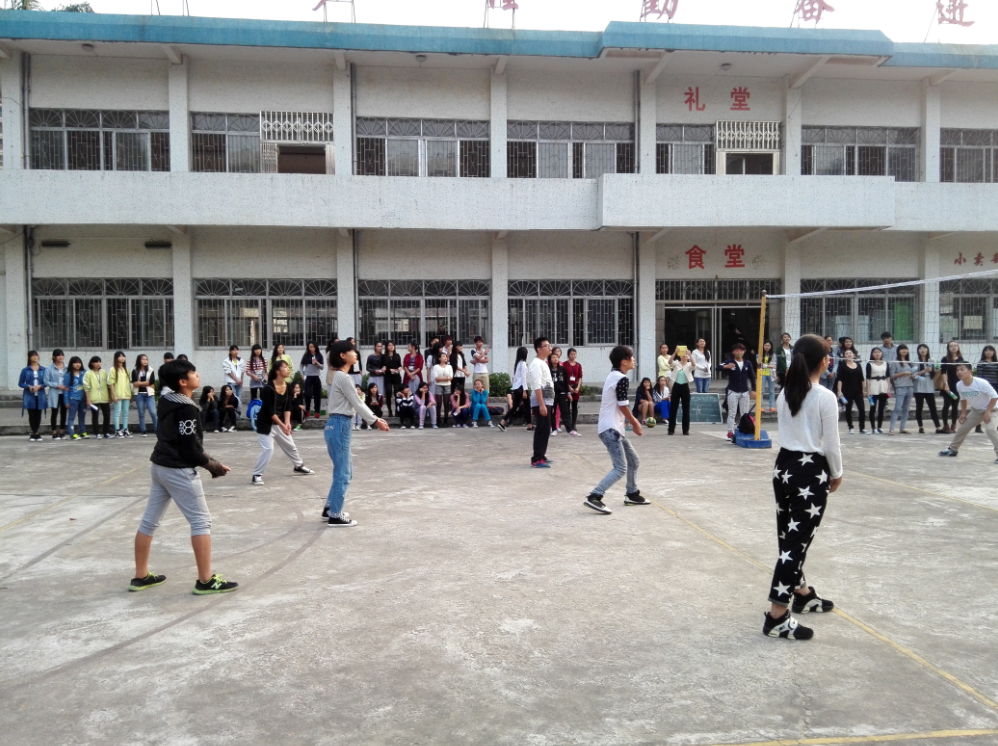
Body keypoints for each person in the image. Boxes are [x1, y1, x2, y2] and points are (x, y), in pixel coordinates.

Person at [130, 358, 236, 595]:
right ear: (182, 381)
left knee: (149, 522)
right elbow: (190, 450)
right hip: (178, 470)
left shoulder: (166, 400)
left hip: (160, 466)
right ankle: (206, 580)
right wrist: (214, 466)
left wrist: (212, 463)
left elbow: (186, 444)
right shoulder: (186, 409)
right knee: (201, 521)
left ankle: (140, 576)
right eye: (192, 373)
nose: (197, 375)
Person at [764, 334, 842, 641]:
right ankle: (777, 616)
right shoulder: (824, 396)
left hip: (783, 467)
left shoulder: (787, 392)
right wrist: (837, 473)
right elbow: (831, 444)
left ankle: (802, 594)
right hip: (809, 472)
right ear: (823, 362)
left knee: (789, 539)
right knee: (795, 545)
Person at [322, 340, 389, 527]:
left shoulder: (340, 377)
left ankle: (330, 508)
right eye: (352, 350)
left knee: (342, 470)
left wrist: (374, 418)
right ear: (343, 355)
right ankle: (335, 515)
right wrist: (375, 420)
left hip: (335, 426)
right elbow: (357, 403)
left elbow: (355, 402)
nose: (355, 353)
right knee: (344, 473)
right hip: (340, 425)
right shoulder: (343, 377)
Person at [584, 345, 649, 514]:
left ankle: (632, 494)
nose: (634, 360)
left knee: (634, 460)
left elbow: (617, 404)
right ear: (623, 362)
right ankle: (595, 496)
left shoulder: (613, 375)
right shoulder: (621, 378)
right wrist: (635, 422)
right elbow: (622, 405)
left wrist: (625, 421)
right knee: (620, 468)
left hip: (614, 428)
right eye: (631, 357)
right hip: (611, 430)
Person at [251, 360, 315, 485]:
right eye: (285, 367)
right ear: (277, 371)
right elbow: (269, 411)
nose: (288, 369)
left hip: (280, 422)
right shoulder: (268, 388)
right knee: (268, 449)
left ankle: (298, 466)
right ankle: (257, 474)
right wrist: (283, 425)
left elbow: (287, 407)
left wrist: (287, 422)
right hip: (266, 424)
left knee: (290, 446)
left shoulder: (288, 387)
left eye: (288, 367)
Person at [939, 362, 998, 462]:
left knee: (990, 429)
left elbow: (995, 397)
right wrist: (963, 413)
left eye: (962, 369)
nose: (959, 372)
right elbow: (963, 399)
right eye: (957, 370)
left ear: (970, 371)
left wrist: (988, 412)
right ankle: (952, 449)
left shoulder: (981, 383)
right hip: (976, 411)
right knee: (963, 428)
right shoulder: (959, 385)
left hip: (992, 409)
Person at [528, 337, 555, 468]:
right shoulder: (536, 364)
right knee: (542, 429)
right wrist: (542, 405)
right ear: (539, 349)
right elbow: (537, 385)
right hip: (541, 401)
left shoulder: (543, 362)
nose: (550, 348)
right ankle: (537, 458)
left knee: (545, 429)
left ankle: (542, 455)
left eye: (550, 345)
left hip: (547, 400)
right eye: (546, 346)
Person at [721, 343, 755, 441]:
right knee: (732, 413)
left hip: (744, 391)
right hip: (733, 391)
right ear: (733, 352)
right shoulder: (730, 361)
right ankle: (730, 432)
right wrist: (726, 366)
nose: (739, 352)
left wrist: (754, 389)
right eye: (737, 350)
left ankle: (743, 430)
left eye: (741, 350)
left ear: (744, 352)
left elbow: (752, 377)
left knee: (744, 413)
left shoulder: (747, 363)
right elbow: (718, 367)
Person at [835, 349, 867, 435]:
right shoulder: (842, 366)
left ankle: (862, 428)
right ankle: (850, 427)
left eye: (850, 353)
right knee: (848, 409)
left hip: (858, 391)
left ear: (853, 355)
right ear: (844, 356)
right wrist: (839, 391)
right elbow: (840, 380)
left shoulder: (858, 365)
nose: (849, 354)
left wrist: (864, 389)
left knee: (862, 409)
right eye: (847, 353)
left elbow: (862, 378)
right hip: (847, 391)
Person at [19, 350, 49, 442]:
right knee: (31, 414)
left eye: (36, 355)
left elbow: (46, 382)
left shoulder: (43, 369)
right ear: (29, 358)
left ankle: (35, 433)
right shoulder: (25, 370)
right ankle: (35, 433)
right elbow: (20, 383)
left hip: (40, 395)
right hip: (29, 395)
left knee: (38, 414)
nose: (35, 357)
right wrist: (28, 386)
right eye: (32, 356)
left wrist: (40, 386)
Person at [913, 344, 943, 435]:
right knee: (919, 407)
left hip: (929, 386)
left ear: (927, 350)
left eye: (924, 348)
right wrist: (924, 371)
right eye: (920, 349)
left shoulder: (931, 360)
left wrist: (937, 371)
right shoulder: (916, 361)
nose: (923, 350)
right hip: (919, 386)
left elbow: (935, 373)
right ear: (918, 351)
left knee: (933, 407)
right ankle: (921, 427)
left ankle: (938, 427)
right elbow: (913, 375)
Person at [500, 346, 531, 431]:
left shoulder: (517, 364)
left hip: (516, 388)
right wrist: (525, 390)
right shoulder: (523, 363)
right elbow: (523, 378)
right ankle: (529, 425)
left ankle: (502, 422)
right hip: (522, 387)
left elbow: (516, 378)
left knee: (514, 407)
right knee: (527, 407)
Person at [888, 344, 916, 435]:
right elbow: (892, 376)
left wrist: (914, 376)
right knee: (897, 408)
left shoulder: (910, 362)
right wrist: (903, 373)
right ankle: (891, 429)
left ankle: (902, 428)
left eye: (906, 349)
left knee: (906, 409)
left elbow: (914, 374)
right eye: (902, 349)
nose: (904, 351)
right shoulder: (895, 362)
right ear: (898, 351)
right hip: (900, 387)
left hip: (910, 386)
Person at [939, 340, 965, 434]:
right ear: (948, 348)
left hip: (958, 385)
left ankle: (953, 425)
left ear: (958, 347)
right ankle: (945, 426)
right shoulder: (945, 359)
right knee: (946, 405)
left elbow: (963, 372)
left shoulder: (960, 359)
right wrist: (946, 384)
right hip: (948, 385)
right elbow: (943, 372)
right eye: (951, 346)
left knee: (955, 406)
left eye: (955, 346)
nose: (953, 347)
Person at [83, 355, 111, 439]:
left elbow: (108, 385)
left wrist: (110, 396)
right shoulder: (88, 373)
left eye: (99, 362)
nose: (98, 363)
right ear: (92, 363)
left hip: (104, 398)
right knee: (95, 416)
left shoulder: (104, 372)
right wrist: (88, 399)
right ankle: (97, 433)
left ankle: (106, 432)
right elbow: (86, 387)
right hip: (94, 398)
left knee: (107, 415)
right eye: (96, 362)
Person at [668, 349, 694, 436]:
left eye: (685, 355)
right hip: (676, 386)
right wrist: (675, 352)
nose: (684, 356)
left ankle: (685, 430)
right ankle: (671, 430)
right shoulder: (676, 363)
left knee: (686, 409)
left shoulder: (689, 365)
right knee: (673, 409)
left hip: (685, 386)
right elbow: (670, 362)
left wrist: (690, 355)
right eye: (682, 355)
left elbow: (694, 365)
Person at [108, 350, 133, 438]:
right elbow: (110, 383)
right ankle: (117, 430)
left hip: (126, 394)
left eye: (123, 356)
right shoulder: (113, 369)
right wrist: (113, 395)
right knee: (117, 413)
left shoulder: (126, 370)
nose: (122, 358)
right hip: (117, 395)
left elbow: (128, 383)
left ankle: (125, 429)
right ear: (116, 358)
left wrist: (130, 395)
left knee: (125, 413)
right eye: (120, 356)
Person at [44, 349, 68, 440]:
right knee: (54, 412)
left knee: (64, 412)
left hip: (65, 393)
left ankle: (62, 431)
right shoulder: (49, 368)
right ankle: (54, 432)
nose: (60, 357)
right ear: (54, 357)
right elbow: (46, 381)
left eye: (62, 355)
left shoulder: (67, 367)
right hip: (55, 392)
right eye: (58, 355)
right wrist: (57, 385)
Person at [132, 354, 158, 436]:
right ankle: (143, 430)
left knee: (153, 413)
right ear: (139, 360)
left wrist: (140, 383)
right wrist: (147, 383)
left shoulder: (150, 369)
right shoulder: (135, 371)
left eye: (146, 359)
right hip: (139, 394)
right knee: (141, 413)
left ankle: (157, 429)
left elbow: (152, 382)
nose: (145, 361)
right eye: (143, 359)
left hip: (149, 394)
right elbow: (135, 384)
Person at [866, 347, 890, 434]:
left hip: (883, 386)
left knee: (881, 409)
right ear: (872, 354)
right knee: (873, 408)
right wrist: (868, 390)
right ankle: (873, 428)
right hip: (873, 386)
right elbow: (868, 378)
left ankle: (879, 427)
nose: (877, 354)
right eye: (875, 352)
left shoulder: (885, 363)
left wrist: (888, 388)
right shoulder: (870, 364)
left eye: (879, 352)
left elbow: (888, 376)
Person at [549, 348, 572, 434]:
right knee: (552, 411)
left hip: (562, 393)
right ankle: (554, 429)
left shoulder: (563, 369)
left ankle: (570, 430)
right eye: (553, 357)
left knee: (565, 412)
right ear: (550, 360)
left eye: (557, 357)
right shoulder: (548, 370)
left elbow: (566, 382)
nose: (555, 359)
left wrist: (568, 393)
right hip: (552, 393)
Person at [65, 356, 88, 439]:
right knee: (71, 417)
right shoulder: (68, 375)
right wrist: (66, 401)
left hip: (83, 398)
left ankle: (83, 432)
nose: (78, 364)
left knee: (82, 416)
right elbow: (65, 389)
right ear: (71, 364)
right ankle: (72, 434)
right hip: (73, 398)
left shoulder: (84, 373)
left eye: (79, 363)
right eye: (75, 363)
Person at [300, 342, 324, 418]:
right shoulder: (306, 355)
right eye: (310, 347)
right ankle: (307, 409)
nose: (312, 348)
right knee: (307, 394)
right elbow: (301, 365)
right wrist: (302, 374)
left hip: (316, 376)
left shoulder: (319, 355)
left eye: (313, 347)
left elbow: (322, 367)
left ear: (316, 347)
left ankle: (317, 411)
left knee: (317, 395)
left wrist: (317, 363)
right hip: (308, 376)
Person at [563, 348, 583, 436]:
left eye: (574, 354)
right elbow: (563, 377)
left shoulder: (578, 365)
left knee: (575, 407)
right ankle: (568, 425)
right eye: (571, 354)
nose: (573, 356)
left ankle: (573, 424)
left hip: (576, 387)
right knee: (567, 407)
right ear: (568, 355)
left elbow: (580, 377)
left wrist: (578, 387)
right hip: (567, 387)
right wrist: (568, 387)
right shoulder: (564, 364)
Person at [432, 350, 453, 426]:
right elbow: (436, 378)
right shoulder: (436, 367)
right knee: (439, 404)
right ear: (439, 358)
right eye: (443, 356)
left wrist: (443, 378)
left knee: (446, 404)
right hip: (438, 385)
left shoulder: (449, 366)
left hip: (447, 386)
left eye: (446, 356)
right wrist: (446, 378)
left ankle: (445, 421)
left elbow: (451, 377)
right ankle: (438, 421)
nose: (445, 358)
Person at [382, 341, 403, 417]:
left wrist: (399, 368)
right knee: (388, 393)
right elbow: (383, 367)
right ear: (386, 347)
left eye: (392, 345)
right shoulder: (384, 356)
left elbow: (400, 365)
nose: (391, 346)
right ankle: (390, 411)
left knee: (397, 393)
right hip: (388, 376)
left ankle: (397, 411)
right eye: (389, 345)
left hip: (396, 376)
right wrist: (389, 369)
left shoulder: (397, 355)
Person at [760, 340, 777, 412]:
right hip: (762, 374)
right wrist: (769, 366)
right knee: (761, 391)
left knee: (771, 391)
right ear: (763, 346)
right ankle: (760, 406)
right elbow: (760, 365)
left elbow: (774, 365)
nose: (767, 347)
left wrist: (775, 373)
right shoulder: (760, 354)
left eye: (768, 345)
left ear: (771, 346)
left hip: (771, 374)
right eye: (765, 345)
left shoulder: (774, 355)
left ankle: (771, 406)